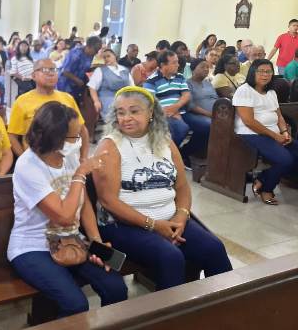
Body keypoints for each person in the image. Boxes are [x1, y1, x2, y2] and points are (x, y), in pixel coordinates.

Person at [93, 86, 231, 290]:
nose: (126, 118)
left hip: (170, 219)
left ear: (150, 113)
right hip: (122, 226)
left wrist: (180, 218)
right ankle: (171, 319)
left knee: (213, 248)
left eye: (134, 111)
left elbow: (182, 187)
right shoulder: (110, 146)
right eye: (120, 112)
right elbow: (108, 201)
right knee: (170, 257)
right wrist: (154, 225)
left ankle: (225, 310)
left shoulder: (165, 141)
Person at [8, 101, 127, 317]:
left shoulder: (68, 156)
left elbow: (84, 204)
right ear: (55, 139)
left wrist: (96, 240)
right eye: (74, 137)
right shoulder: (28, 165)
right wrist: (81, 174)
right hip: (33, 246)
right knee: (75, 304)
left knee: (117, 287)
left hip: (73, 239)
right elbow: (64, 216)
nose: (79, 141)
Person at [233, 59, 298, 205]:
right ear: (252, 73)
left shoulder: (271, 92)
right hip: (250, 133)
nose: (265, 75)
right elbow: (249, 121)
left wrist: (284, 132)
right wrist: (275, 136)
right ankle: (266, 188)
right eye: (261, 71)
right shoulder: (244, 90)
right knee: (285, 159)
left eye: (269, 71)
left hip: (274, 133)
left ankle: (263, 178)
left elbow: (279, 116)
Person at [9, 59, 88, 158]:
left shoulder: (67, 98)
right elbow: (12, 136)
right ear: (33, 76)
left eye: (54, 70)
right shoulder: (22, 101)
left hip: (66, 158)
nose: (51, 74)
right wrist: (24, 158)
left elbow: (82, 130)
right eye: (45, 70)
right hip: (36, 158)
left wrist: (83, 157)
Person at [143, 51, 191, 147]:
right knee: (182, 128)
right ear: (163, 65)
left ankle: (185, 152)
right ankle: (170, 153)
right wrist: (170, 112)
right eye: (174, 62)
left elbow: (186, 95)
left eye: (177, 62)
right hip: (163, 114)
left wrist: (175, 107)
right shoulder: (151, 81)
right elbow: (150, 104)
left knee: (206, 125)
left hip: (180, 111)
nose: (178, 65)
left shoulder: (179, 77)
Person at [88, 49, 133, 119]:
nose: (106, 58)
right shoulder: (100, 70)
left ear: (115, 56)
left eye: (108, 56)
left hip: (125, 98)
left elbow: (132, 87)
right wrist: (96, 101)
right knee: (118, 111)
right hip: (108, 100)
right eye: (104, 57)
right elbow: (92, 87)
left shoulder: (124, 70)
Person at [57, 36, 102, 102]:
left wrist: (95, 67)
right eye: (96, 50)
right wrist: (77, 80)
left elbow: (83, 68)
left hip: (77, 86)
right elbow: (65, 71)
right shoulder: (75, 54)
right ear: (89, 46)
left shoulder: (90, 55)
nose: (97, 53)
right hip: (65, 85)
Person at [185, 61, 218, 146]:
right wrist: (209, 114)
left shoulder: (208, 84)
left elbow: (216, 99)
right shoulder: (188, 84)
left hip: (214, 114)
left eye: (207, 67)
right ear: (193, 69)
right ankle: (188, 150)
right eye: (203, 67)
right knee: (210, 124)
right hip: (197, 114)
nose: (206, 69)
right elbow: (190, 105)